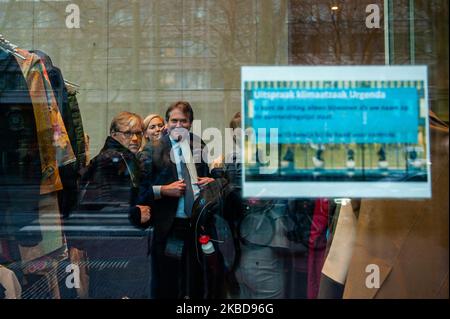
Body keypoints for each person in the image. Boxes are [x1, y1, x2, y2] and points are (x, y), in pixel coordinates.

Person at [142, 101, 214, 299]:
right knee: (169, 282)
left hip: (197, 224)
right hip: (170, 225)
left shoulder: (199, 144)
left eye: (183, 121)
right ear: (166, 122)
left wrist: (211, 181)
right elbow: (139, 192)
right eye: (174, 120)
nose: (178, 125)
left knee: (197, 280)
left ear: (191, 123)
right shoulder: (152, 149)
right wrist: (162, 190)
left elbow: (208, 176)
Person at [77, 111, 153, 298]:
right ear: (114, 134)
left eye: (138, 133)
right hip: (113, 250)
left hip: (121, 247)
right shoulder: (110, 159)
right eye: (128, 133)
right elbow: (97, 208)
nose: (135, 138)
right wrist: (134, 213)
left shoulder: (124, 158)